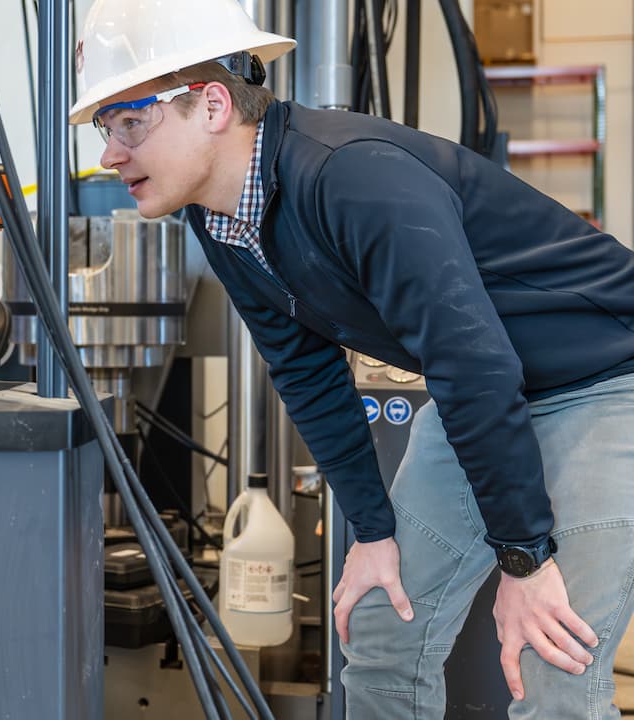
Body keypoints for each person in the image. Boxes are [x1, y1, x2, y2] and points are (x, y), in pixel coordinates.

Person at [71, 0, 634, 717]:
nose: (109, 154)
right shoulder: (218, 217)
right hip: (489, 389)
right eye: (104, 128)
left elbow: (472, 362)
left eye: (129, 124)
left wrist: (524, 559)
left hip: (605, 381)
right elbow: (305, 368)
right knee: (382, 630)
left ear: (211, 105)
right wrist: (372, 531)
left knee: (551, 656)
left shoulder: (352, 177)